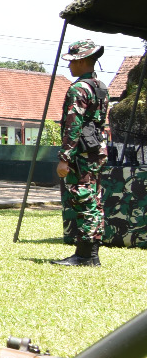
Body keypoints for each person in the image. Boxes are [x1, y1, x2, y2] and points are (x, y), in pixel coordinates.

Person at [54, 39, 109, 267]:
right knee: (94, 201)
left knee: (84, 200)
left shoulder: (79, 88)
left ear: (84, 60)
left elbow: (73, 125)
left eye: (73, 61)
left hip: (82, 154)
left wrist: (64, 158)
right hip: (96, 150)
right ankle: (91, 253)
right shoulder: (101, 86)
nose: (69, 66)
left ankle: (85, 256)